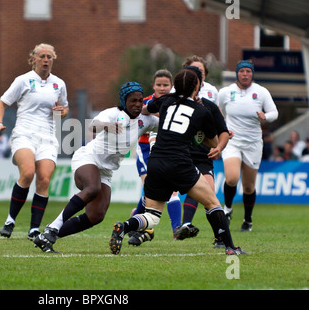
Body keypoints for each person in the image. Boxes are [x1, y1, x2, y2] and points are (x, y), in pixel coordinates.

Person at [109, 69, 246, 256]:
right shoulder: (201, 110)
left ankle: (124, 226)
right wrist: (199, 136)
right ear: (197, 86)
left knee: (152, 215)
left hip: (156, 161)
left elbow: (145, 110)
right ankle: (230, 247)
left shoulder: (165, 101)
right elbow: (214, 142)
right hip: (180, 162)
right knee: (213, 203)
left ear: (175, 86)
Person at [33, 81, 159, 252]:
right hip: (88, 158)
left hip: (106, 170)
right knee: (92, 188)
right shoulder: (113, 113)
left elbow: (166, 125)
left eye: (139, 101)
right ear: (124, 101)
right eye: (132, 101)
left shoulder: (146, 120)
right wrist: (108, 126)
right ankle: (52, 228)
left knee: (96, 215)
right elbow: (93, 125)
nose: (137, 105)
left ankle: (46, 237)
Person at [0, 43, 69, 241]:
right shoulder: (23, 80)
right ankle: (10, 219)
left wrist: (62, 111)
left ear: (53, 59)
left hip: (48, 137)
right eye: (42, 56)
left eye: (49, 56)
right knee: (27, 173)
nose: (45, 60)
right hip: (24, 134)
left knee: (44, 179)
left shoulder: (59, 84)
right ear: (33, 58)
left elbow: (65, 108)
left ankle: (34, 229)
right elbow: (2, 103)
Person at [174, 59, 231, 247]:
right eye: (193, 71)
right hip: (179, 153)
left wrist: (219, 145)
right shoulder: (172, 99)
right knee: (155, 195)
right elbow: (151, 111)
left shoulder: (208, 102)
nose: (197, 75)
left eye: (200, 71)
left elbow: (219, 125)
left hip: (202, 154)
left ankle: (219, 238)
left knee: (209, 192)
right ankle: (136, 226)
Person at [218, 60, 278, 232]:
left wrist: (265, 116)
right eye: (242, 71)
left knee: (249, 186)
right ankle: (227, 209)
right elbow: (216, 111)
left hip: (253, 143)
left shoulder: (261, 92)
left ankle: (248, 220)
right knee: (231, 178)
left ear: (252, 74)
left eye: (248, 71)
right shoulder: (226, 92)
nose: (245, 74)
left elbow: (274, 112)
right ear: (237, 73)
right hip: (232, 142)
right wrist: (222, 129)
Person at [128, 69, 181, 246]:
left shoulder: (176, 103)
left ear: (171, 86)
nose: (162, 88)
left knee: (171, 189)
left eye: (166, 85)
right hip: (145, 150)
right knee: (150, 188)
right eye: (159, 85)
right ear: (153, 86)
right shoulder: (145, 103)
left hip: (166, 149)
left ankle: (176, 230)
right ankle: (138, 223)